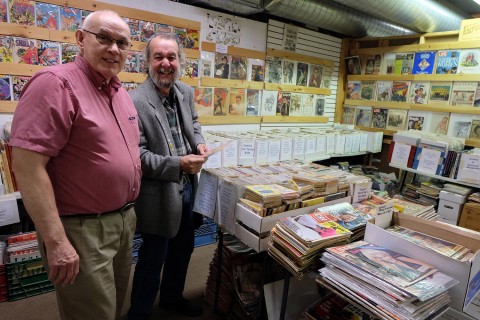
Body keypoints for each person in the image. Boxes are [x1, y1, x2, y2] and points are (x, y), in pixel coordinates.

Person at [10, 10, 140, 319]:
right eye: (104, 38)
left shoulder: (119, 90)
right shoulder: (55, 83)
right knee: (91, 313)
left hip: (121, 222)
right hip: (81, 229)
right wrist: (56, 242)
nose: (113, 49)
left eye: (122, 43)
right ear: (81, 39)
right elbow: (27, 167)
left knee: (118, 307)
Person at [128, 33, 208, 319]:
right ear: (148, 62)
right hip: (158, 194)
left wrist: (198, 143)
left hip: (188, 188)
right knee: (153, 257)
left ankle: (172, 298)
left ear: (179, 62)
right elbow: (137, 157)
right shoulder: (134, 101)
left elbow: (195, 126)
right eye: (158, 57)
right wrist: (178, 165)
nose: (165, 63)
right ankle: (140, 312)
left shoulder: (185, 92)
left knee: (183, 248)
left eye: (171, 57)